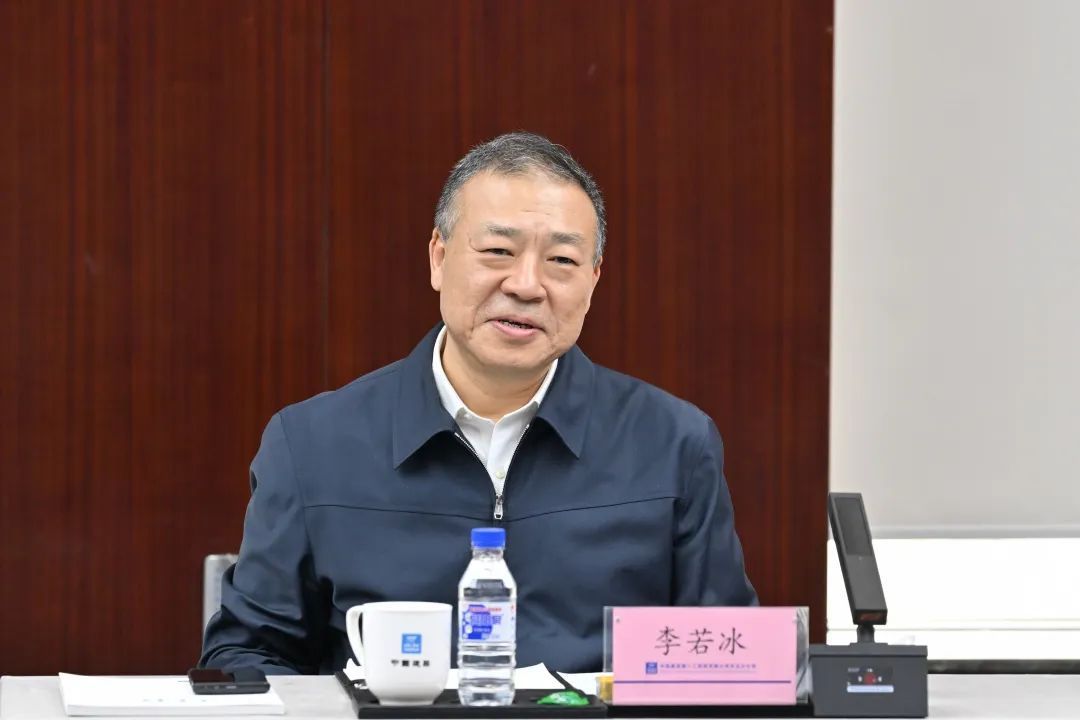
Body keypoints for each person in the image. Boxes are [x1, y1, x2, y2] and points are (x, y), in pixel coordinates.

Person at [200, 132, 757, 675]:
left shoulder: (674, 443)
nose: (527, 285)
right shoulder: (312, 444)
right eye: (498, 251)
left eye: (562, 261)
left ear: (593, 281)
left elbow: (733, 666)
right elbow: (247, 658)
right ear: (439, 258)